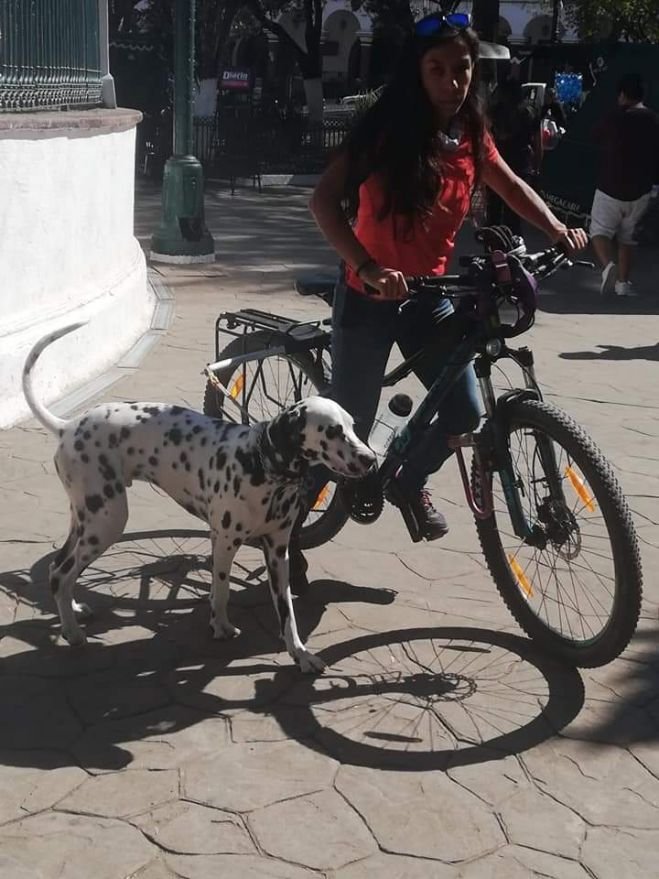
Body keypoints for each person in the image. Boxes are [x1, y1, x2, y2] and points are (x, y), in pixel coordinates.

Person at [290, 11, 587, 592]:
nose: (452, 82)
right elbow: (323, 202)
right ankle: (282, 532)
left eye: (462, 69)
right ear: (416, 74)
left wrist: (557, 228)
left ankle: (404, 479)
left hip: (429, 295)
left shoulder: (471, 132)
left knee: (466, 413)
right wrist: (369, 268)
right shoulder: (384, 130)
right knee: (346, 428)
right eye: (438, 70)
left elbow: (507, 184)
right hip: (370, 294)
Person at [590, 72, 659, 297]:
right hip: (641, 190)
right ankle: (623, 284)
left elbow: (596, 137)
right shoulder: (653, 119)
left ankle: (609, 265)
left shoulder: (614, 117)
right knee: (628, 239)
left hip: (610, 186)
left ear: (621, 95)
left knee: (599, 231)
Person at [487, 77, 542, 234]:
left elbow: (487, 138)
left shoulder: (495, 112)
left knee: (494, 208)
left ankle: (493, 244)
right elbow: (538, 144)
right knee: (516, 210)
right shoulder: (531, 112)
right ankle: (513, 244)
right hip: (521, 163)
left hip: (497, 163)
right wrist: (537, 166)